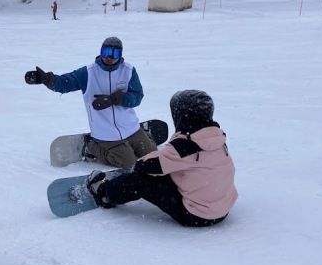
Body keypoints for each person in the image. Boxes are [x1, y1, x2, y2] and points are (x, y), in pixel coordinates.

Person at [86, 90, 238, 227]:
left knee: (141, 180)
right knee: (170, 171)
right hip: (222, 209)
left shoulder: (184, 146)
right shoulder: (216, 138)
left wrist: (142, 165)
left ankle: (104, 194)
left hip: (195, 215)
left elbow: (144, 166)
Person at [24, 36, 156, 168]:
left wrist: (117, 98)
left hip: (131, 128)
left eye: (114, 53)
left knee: (154, 158)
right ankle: (91, 147)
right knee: (130, 163)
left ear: (120, 55)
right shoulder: (88, 73)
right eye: (106, 52)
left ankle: (141, 141)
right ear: (100, 52)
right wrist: (47, 80)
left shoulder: (128, 71)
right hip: (106, 133)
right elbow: (65, 83)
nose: (109, 57)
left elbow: (137, 96)